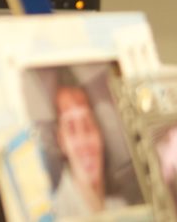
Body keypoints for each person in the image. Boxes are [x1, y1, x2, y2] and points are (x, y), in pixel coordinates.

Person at [51, 74, 126, 215]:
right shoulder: (55, 214)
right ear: (61, 141)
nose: (83, 139)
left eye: (88, 124)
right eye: (71, 128)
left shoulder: (120, 208)